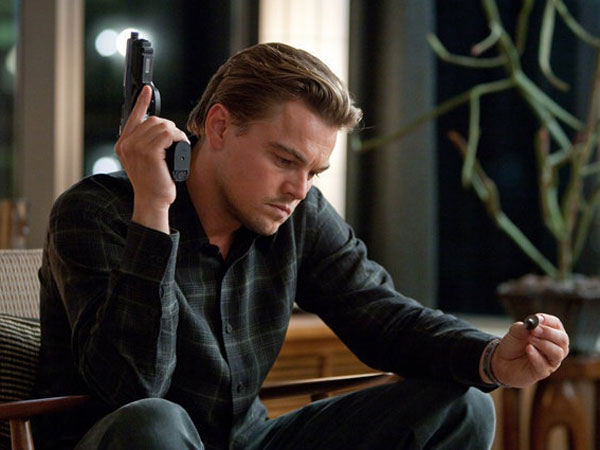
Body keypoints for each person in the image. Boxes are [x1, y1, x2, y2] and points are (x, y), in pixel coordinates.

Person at [34, 42, 569, 450]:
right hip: (137, 439)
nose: (299, 188)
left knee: (464, 406)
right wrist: (153, 211)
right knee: (154, 420)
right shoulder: (95, 213)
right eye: (285, 160)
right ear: (219, 127)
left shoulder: (298, 212)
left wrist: (491, 358)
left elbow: (381, 314)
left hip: (250, 440)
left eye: (314, 171)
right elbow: (130, 388)